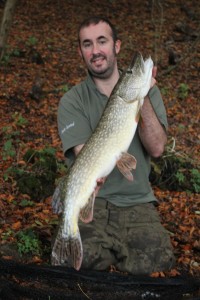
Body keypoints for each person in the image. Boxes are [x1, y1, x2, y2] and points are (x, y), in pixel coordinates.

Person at [57, 16, 175, 275]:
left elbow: (156, 148)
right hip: (96, 202)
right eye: (87, 44)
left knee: (157, 264)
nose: (95, 50)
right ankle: (69, 234)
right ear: (81, 52)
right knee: (80, 268)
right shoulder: (72, 100)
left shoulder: (148, 93)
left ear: (116, 46)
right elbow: (85, 155)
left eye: (102, 41)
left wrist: (141, 96)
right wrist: (92, 182)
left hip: (138, 202)